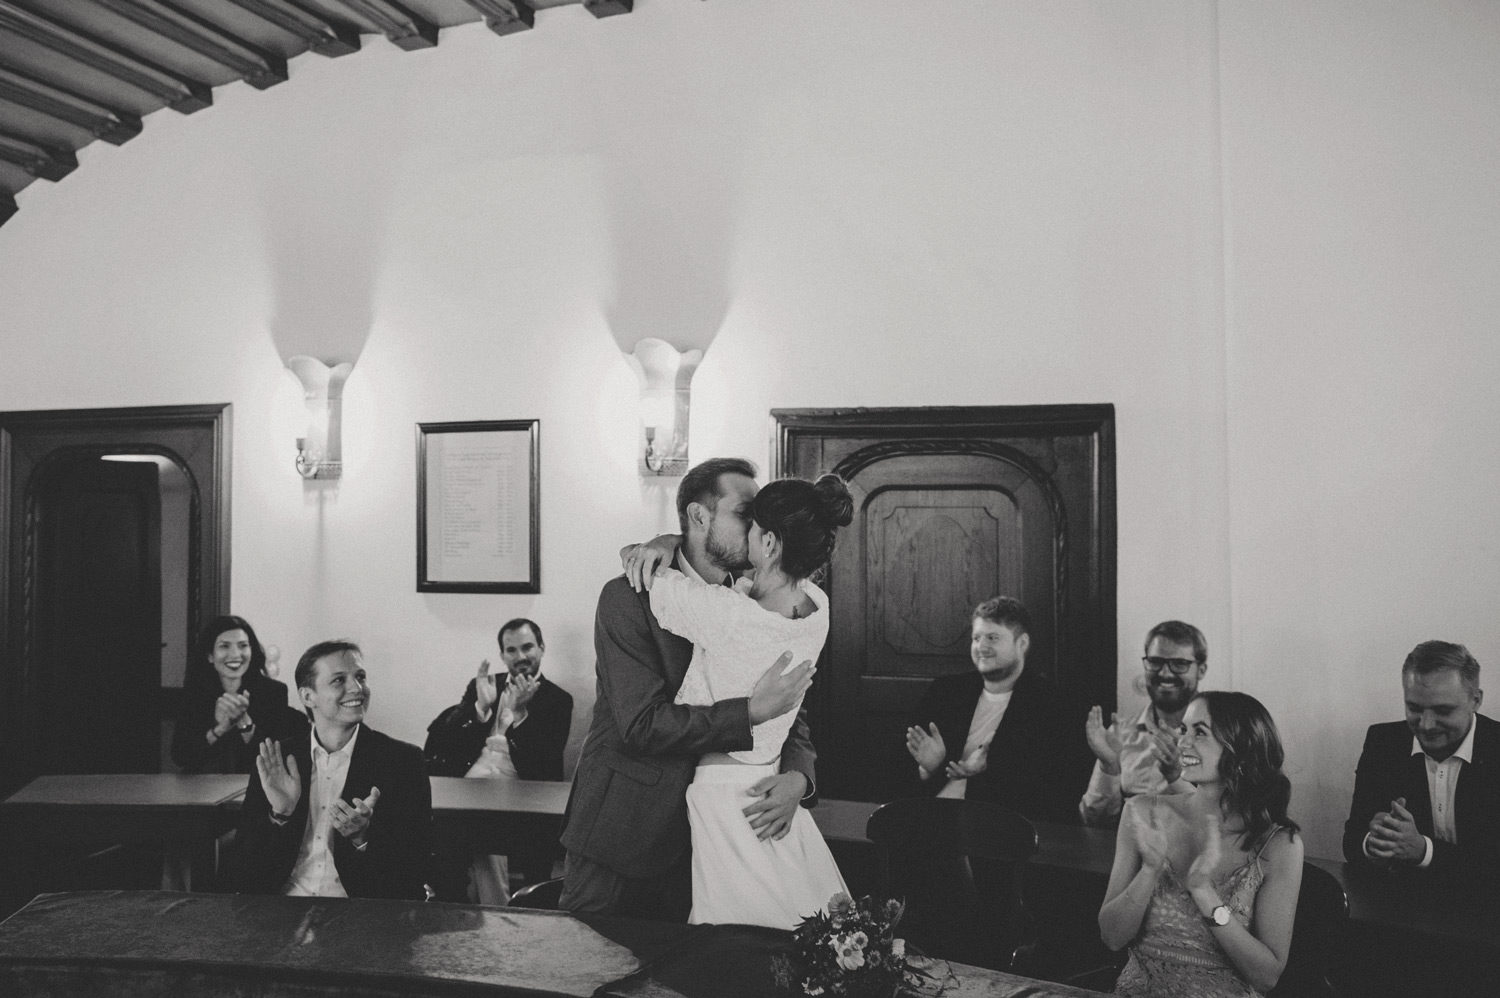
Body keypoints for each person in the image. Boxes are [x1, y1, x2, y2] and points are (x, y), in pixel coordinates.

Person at [559, 457, 818, 922]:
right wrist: (749, 715)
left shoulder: (757, 596)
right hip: (625, 831)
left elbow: (788, 702)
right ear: (700, 517)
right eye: (746, 514)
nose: (760, 526)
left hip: (716, 837)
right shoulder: (628, 597)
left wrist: (799, 776)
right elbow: (642, 725)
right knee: (590, 976)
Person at [623, 474, 853, 927]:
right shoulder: (816, 609)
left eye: (752, 524)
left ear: (768, 542)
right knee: (792, 925)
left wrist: (661, 542)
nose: (745, 530)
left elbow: (643, 569)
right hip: (766, 784)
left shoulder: (726, 615)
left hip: (727, 796)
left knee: (732, 932)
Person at [1099, 692, 1304, 997]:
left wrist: (1204, 893)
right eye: (1184, 729)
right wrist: (1149, 872)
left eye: (1200, 732)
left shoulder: (1279, 845)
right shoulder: (1140, 813)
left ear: (1241, 749)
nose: (1182, 742)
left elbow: (1266, 977)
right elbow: (1112, 937)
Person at [229, 640, 431, 900]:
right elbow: (244, 874)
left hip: (361, 915)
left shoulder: (402, 762)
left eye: (360, 677)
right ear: (307, 696)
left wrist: (362, 837)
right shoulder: (276, 759)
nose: (356, 688)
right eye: (338, 680)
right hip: (283, 910)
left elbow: (415, 872)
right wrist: (280, 816)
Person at [423, 618, 574, 903]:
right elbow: (450, 741)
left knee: (479, 826)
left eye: (528, 647)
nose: (521, 657)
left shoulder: (558, 699)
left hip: (521, 783)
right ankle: (466, 902)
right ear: (503, 655)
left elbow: (544, 762)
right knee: (459, 821)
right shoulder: (482, 685)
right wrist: (480, 708)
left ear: (541, 649)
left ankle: (490, 906)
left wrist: (520, 715)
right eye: (512, 650)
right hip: (474, 775)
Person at [904, 596, 1088, 823]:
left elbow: (1052, 793)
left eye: (992, 637)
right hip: (931, 820)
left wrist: (984, 774)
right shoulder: (945, 693)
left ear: (1022, 643)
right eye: (976, 638)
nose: (981, 647)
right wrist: (930, 769)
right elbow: (897, 770)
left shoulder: (1053, 706)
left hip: (999, 830)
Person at [1342, 639, 1499, 886]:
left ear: (1476, 700)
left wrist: (1423, 851)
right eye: (1414, 708)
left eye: (1443, 711)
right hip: (1404, 907)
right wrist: (1376, 843)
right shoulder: (1383, 742)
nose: (1426, 724)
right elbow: (1352, 842)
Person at [1080, 621, 1205, 826]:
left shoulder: (1221, 734)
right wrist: (1109, 766)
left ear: (1201, 670)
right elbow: (1094, 822)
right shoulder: (1120, 733)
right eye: (1155, 662)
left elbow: (1223, 826)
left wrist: (1176, 777)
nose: (1165, 673)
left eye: (1180, 664)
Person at [170, 614, 307, 774]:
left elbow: (276, 759)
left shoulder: (273, 692)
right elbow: (181, 757)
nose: (235, 654)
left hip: (254, 786)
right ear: (210, 656)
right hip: (202, 789)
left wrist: (244, 724)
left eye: (243, 645)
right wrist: (219, 728)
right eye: (224, 646)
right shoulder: (196, 694)